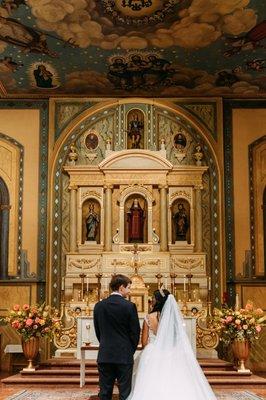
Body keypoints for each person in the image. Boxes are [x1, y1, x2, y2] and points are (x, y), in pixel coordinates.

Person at [127, 290, 217, 400]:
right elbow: (178, 339)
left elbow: (144, 342)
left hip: (152, 353)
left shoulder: (149, 318)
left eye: (153, 299)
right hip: (172, 353)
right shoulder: (174, 320)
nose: (151, 301)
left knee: (150, 380)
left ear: (158, 301)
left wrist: (147, 350)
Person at [93, 274, 140, 400]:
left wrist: (105, 343)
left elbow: (98, 331)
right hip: (124, 355)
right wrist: (130, 350)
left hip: (105, 354)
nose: (129, 291)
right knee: (125, 393)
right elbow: (135, 332)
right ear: (121, 288)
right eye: (128, 288)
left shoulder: (99, 306)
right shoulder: (129, 306)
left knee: (104, 392)